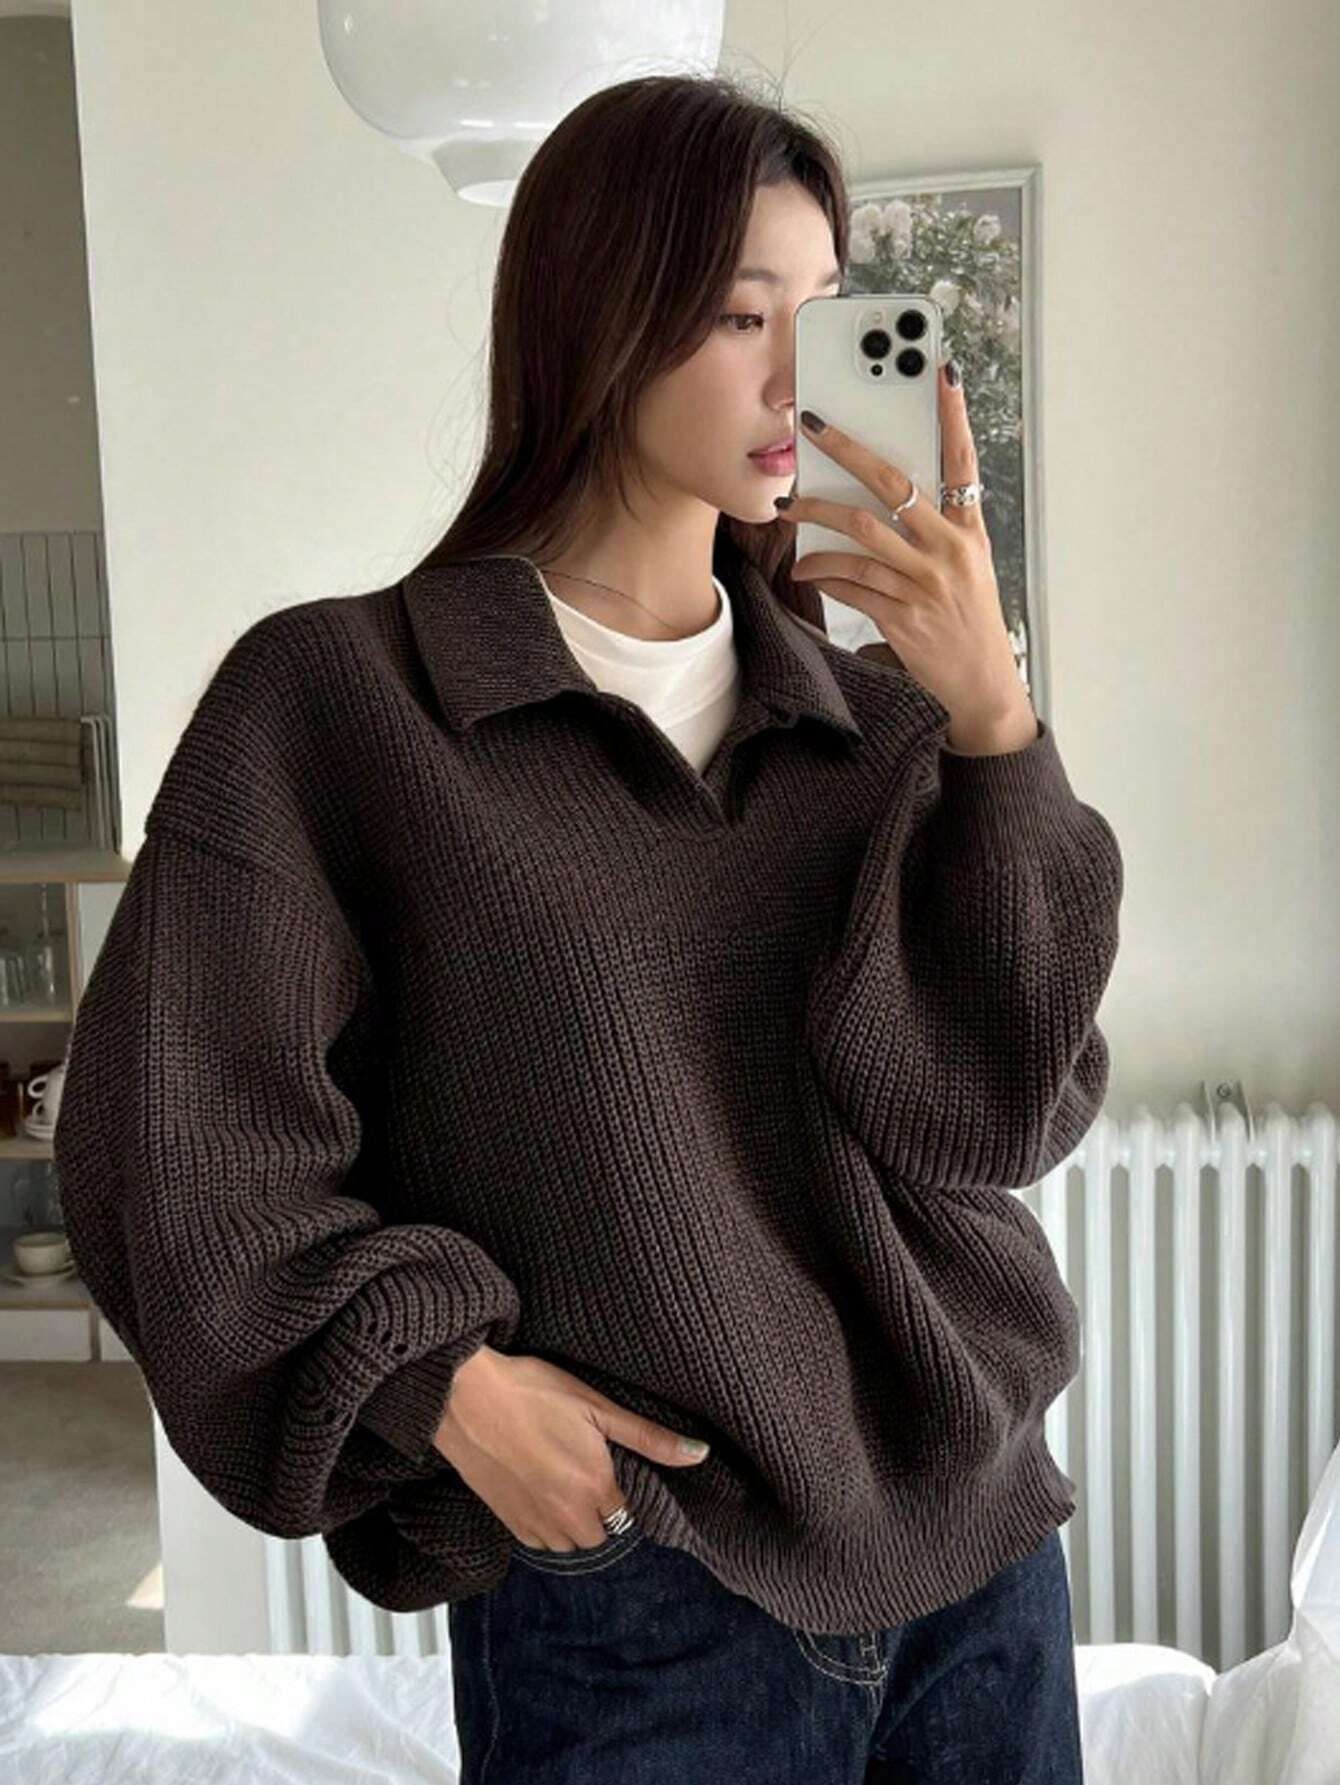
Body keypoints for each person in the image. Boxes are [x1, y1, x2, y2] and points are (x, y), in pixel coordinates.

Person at [55, 72, 1120, 1784]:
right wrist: (441, 1382)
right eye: (740, 314)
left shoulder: (878, 728)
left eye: (823, 309)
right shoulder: (344, 707)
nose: (794, 375)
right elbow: (171, 1149)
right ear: (598, 317)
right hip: (640, 1587)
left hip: (976, 1556)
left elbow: (999, 1113)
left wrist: (995, 721)